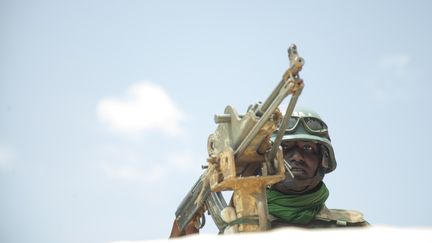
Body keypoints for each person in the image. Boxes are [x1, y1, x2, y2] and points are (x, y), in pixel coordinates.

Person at [267, 107, 368, 228]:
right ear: (266, 159)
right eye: (285, 147)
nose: (297, 157)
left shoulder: (353, 230)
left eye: (307, 148)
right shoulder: (241, 224)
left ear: (323, 159)